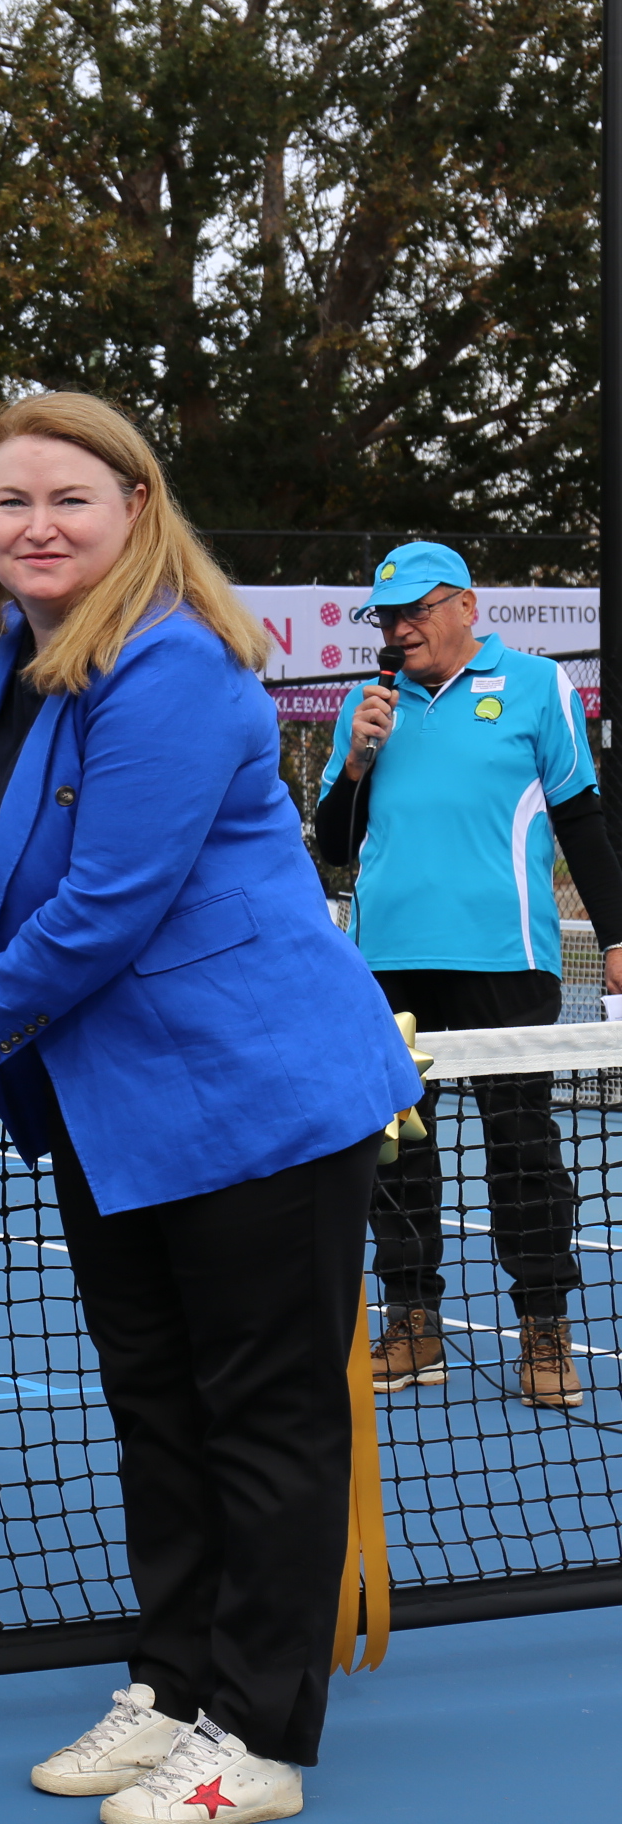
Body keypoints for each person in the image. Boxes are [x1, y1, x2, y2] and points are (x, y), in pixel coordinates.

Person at [0, 393, 419, 1824]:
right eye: (10, 503)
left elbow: (108, 907)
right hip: (116, 1111)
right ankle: (175, 1687)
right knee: (159, 1410)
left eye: (70, 497)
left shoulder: (178, 668)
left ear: (137, 504)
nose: (38, 526)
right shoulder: (6, 652)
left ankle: (256, 1741)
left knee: (263, 1423)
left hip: (257, 1101)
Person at [315, 541, 612, 1410]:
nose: (401, 631)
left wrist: (621, 937)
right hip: (385, 964)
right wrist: (360, 756)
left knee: (523, 1148)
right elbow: (332, 844)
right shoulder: (364, 708)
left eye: (416, 612)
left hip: (507, 959)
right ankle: (412, 1322)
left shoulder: (537, 687)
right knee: (396, 1153)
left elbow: (584, 821)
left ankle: (545, 1327)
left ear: (464, 607)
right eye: (389, 618)